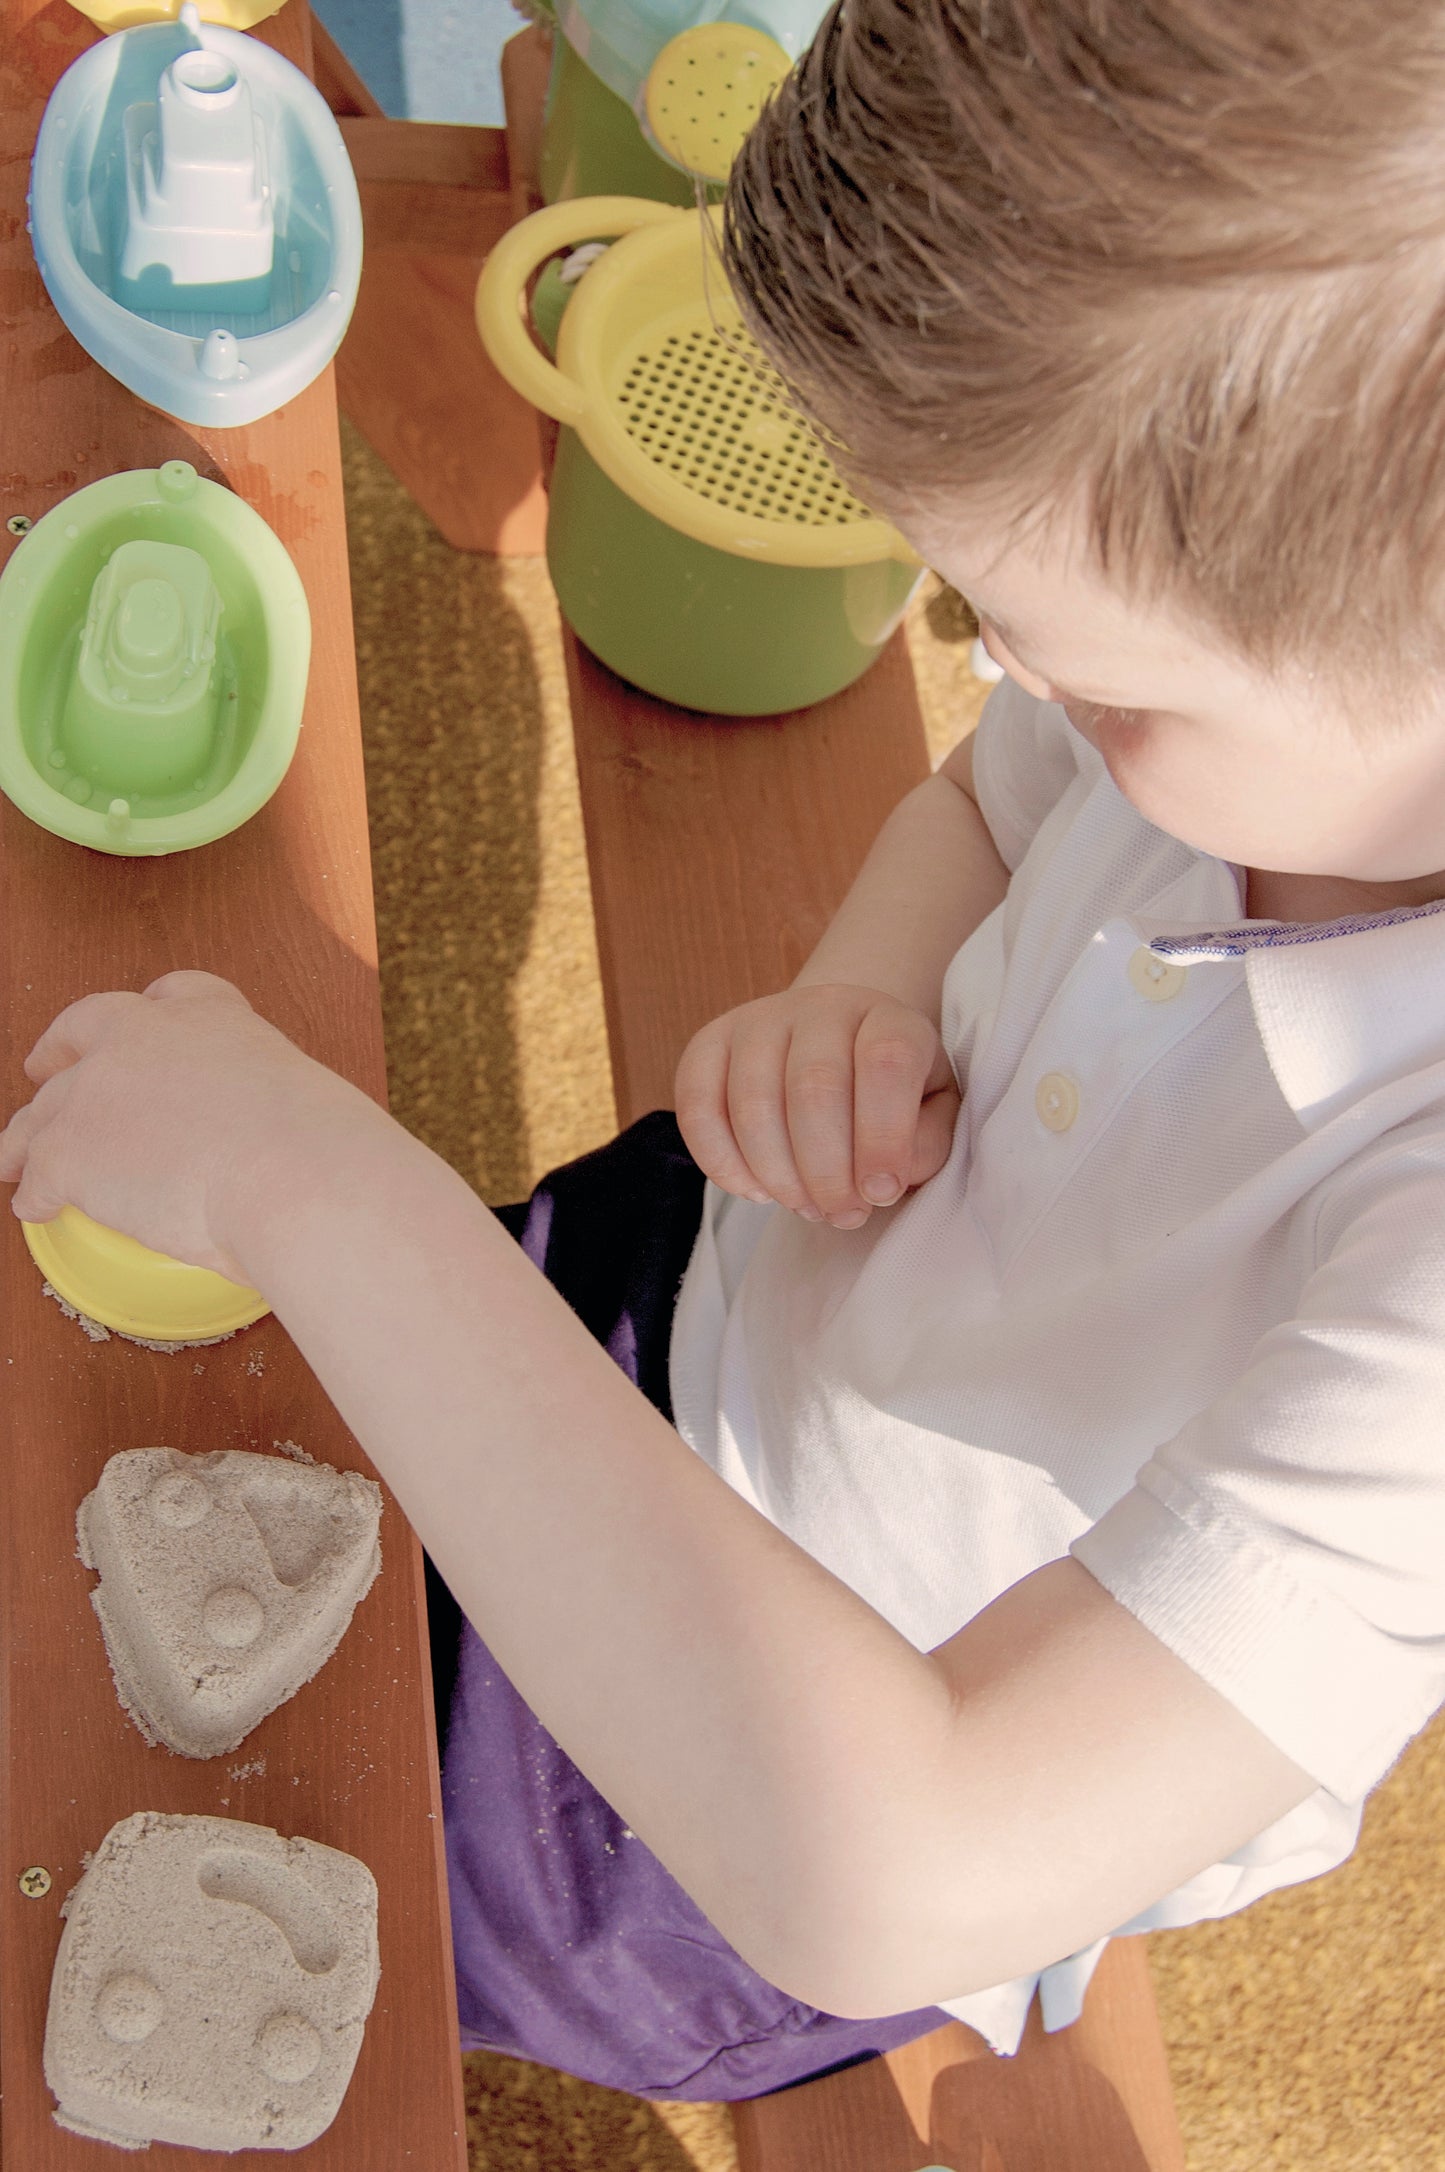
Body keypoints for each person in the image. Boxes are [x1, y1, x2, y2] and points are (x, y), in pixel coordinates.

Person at [7, 0, 1445, 2105]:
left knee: (322, 1809)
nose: (1008, 673)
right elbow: (992, 807)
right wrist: (870, 985)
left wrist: (316, 1185)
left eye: (1110, 686)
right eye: (976, 607)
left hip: (740, 1774)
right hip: (712, 1281)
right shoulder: (1284, 703)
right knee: (292, 1483)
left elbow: (890, 1863)